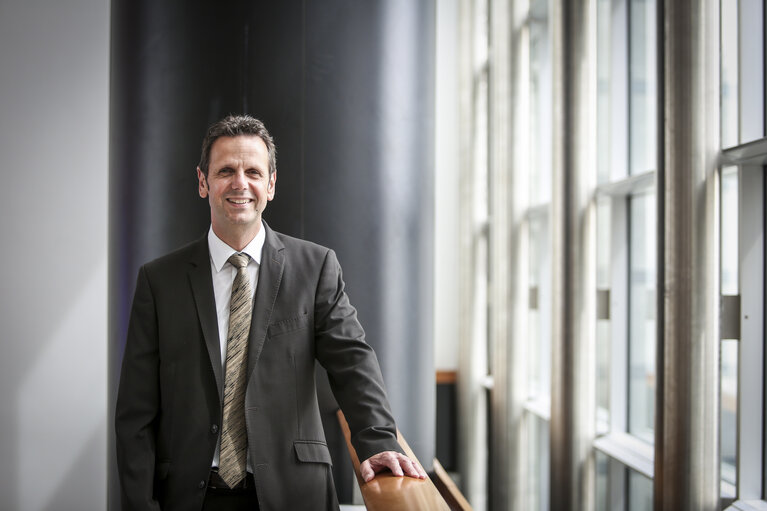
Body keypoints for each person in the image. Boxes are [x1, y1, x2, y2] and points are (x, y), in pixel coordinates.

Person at [115, 114, 427, 511]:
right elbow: (136, 412)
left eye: (253, 172)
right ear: (202, 182)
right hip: (191, 497)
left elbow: (353, 361)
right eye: (225, 170)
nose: (239, 183)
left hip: (294, 493)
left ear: (271, 184)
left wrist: (378, 439)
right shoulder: (158, 281)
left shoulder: (315, 268)